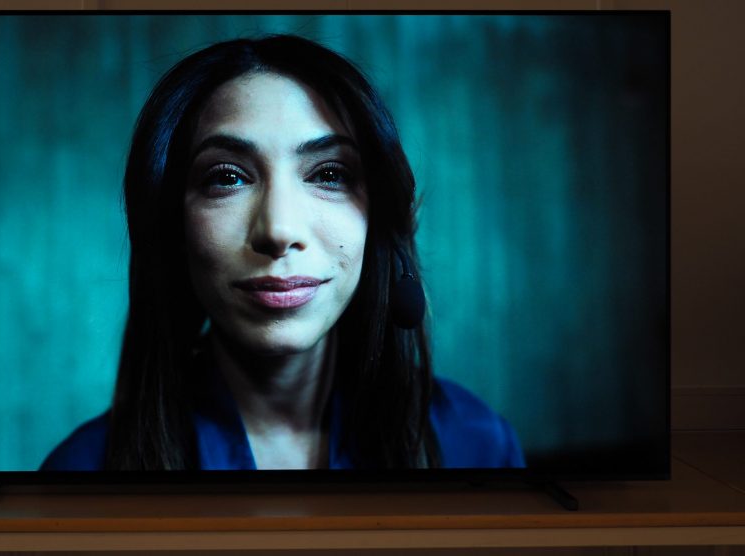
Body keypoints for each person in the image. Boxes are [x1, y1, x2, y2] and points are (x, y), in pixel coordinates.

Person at [41, 35, 524, 471]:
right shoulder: (82, 475)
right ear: (173, 226)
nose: (278, 230)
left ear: (379, 219)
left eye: (329, 174)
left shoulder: (475, 445)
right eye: (227, 177)